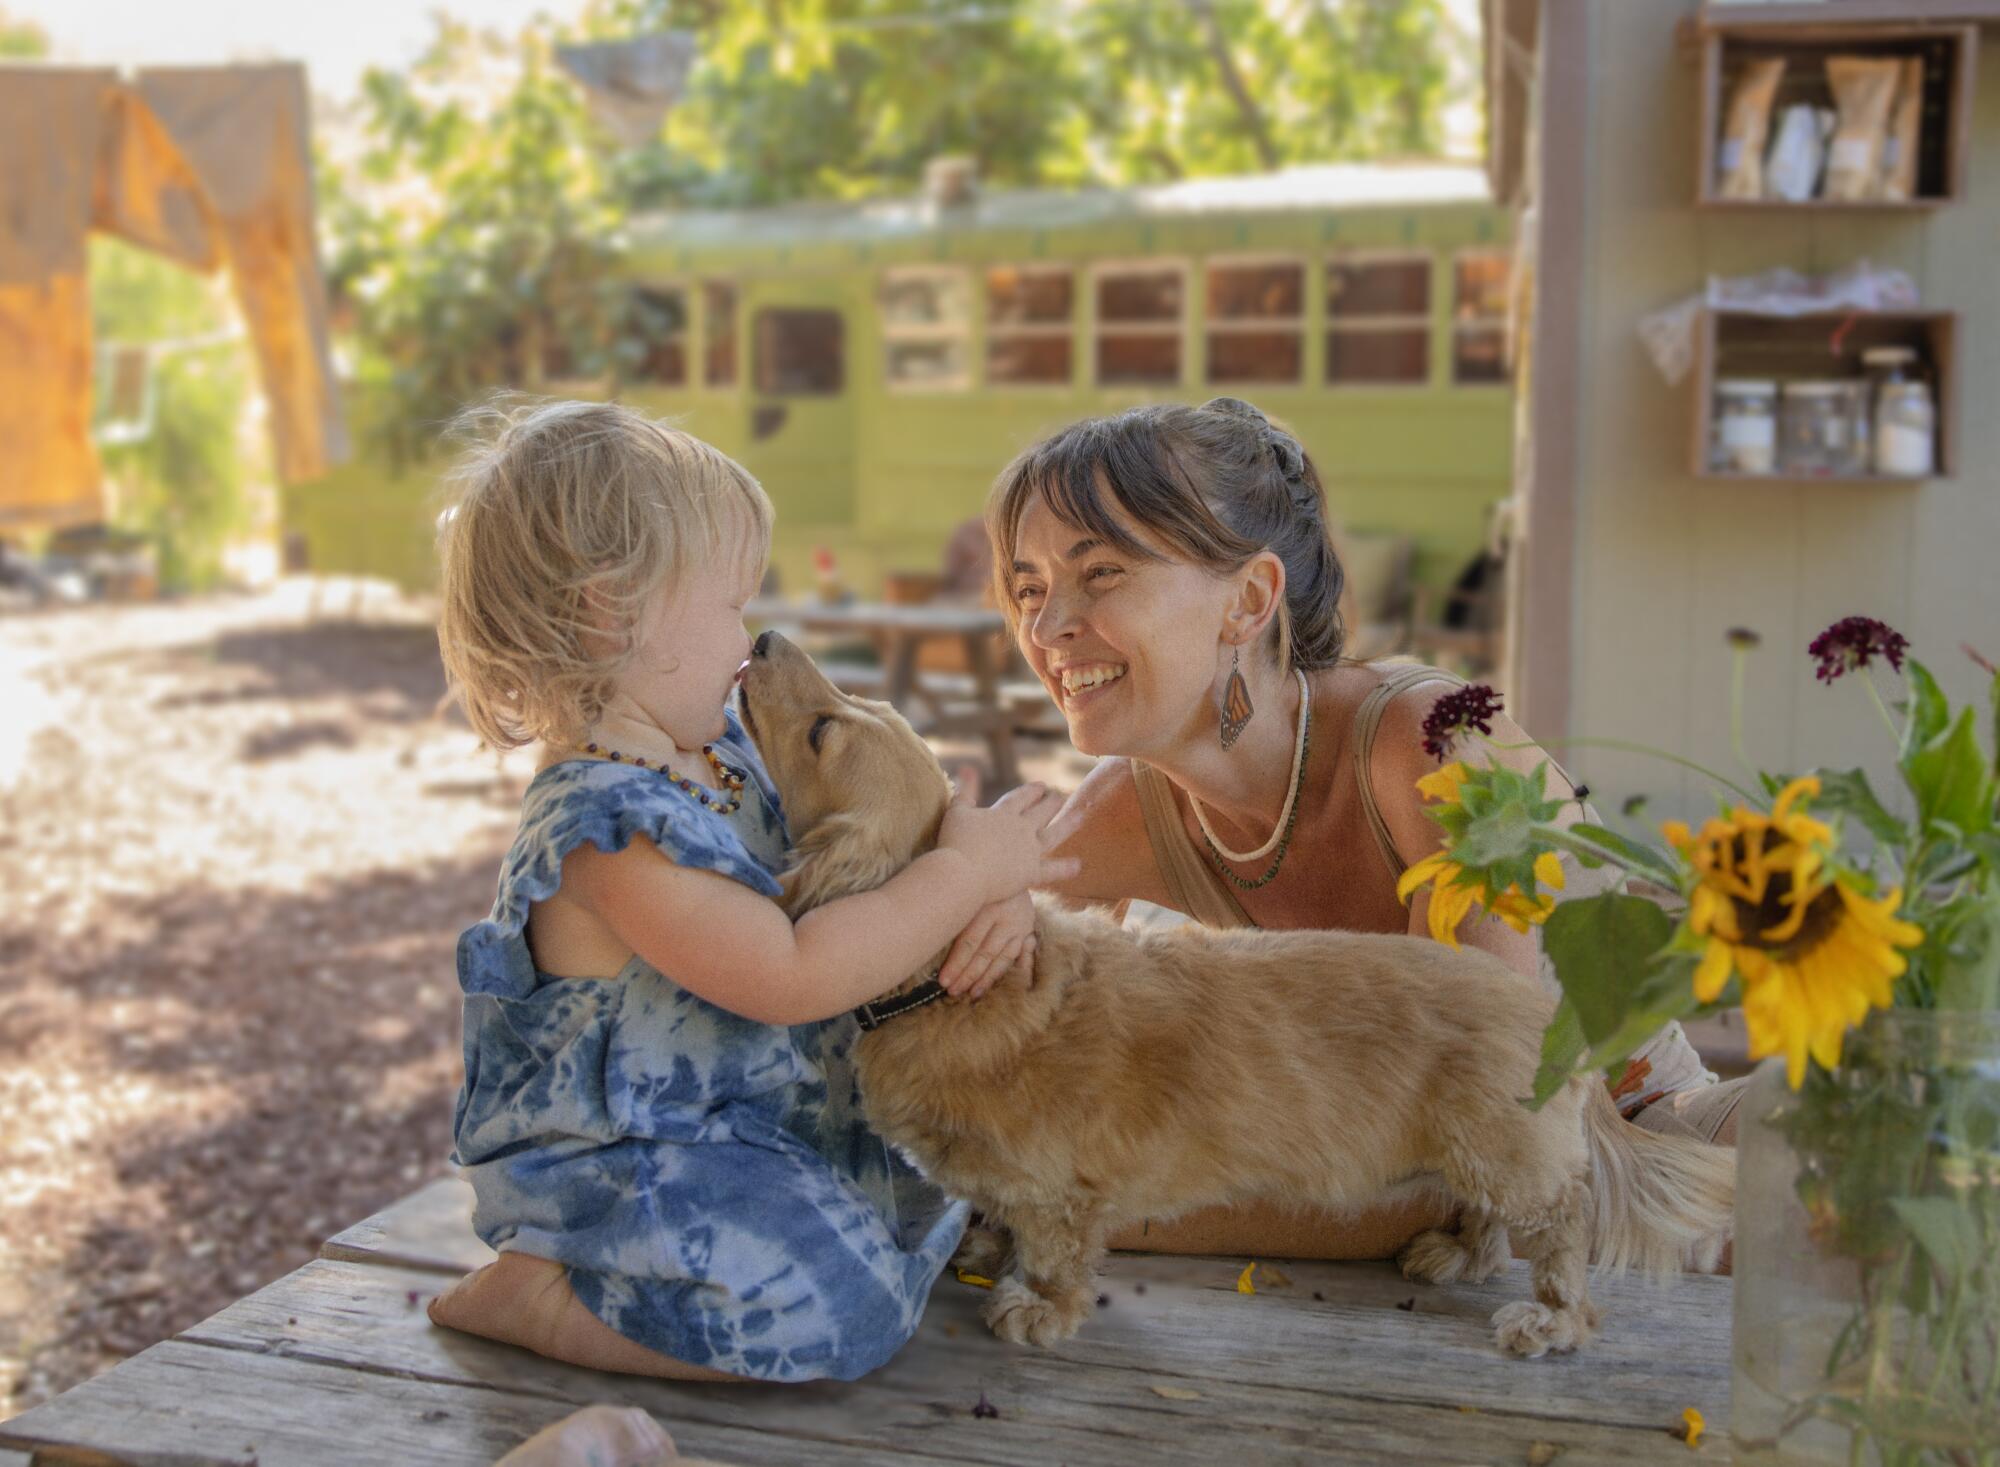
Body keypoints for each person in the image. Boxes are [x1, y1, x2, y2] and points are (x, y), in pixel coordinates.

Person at [945, 397, 1746, 1262]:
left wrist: (1077, 1208)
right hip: (1466, 1269)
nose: (1045, 624)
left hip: (1665, 1162)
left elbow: (1457, 1165)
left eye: (1099, 572)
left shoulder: (1433, 744)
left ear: (1248, 601)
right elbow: (937, 992)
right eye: (1027, 587)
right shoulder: (1115, 820)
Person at [422, 399, 1076, 1381]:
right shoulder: (610, 828)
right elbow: (791, 974)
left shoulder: (717, 749)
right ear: (614, 609)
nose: (752, 628)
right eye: (730, 600)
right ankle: (546, 1294)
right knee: (837, 1322)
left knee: (947, 1196)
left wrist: (988, 889)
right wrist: (964, 873)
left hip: (775, 1129)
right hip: (638, 1173)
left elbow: (865, 851)